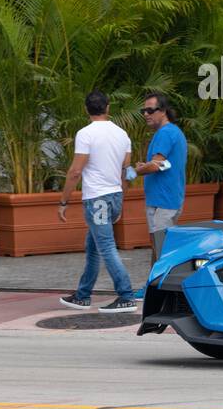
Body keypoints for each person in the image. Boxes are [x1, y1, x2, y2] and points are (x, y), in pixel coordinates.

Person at [58, 91, 137, 314]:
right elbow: (126, 171)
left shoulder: (85, 134)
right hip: (114, 197)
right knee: (93, 248)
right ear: (108, 107)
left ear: (86, 109)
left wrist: (63, 201)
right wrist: (121, 200)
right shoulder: (122, 134)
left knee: (106, 247)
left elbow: (75, 171)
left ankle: (126, 295)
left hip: (97, 199)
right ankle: (83, 295)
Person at [130, 93, 188, 299]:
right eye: (143, 111)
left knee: (163, 249)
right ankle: (154, 286)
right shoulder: (169, 133)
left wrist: (133, 171)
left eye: (150, 110)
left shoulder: (165, 133)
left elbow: (155, 165)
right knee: (159, 247)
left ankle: (163, 291)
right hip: (162, 200)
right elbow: (160, 164)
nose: (145, 114)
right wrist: (144, 167)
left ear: (163, 111)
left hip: (164, 202)